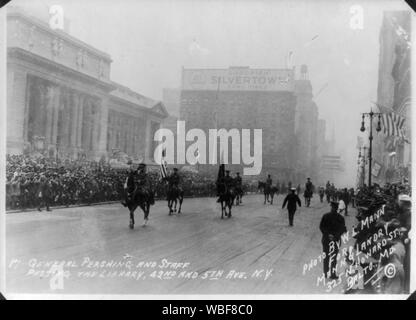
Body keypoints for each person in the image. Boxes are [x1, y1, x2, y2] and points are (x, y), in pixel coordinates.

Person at [319, 201, 347, 279]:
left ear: (331, 207)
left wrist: (328, 235)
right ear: (337, 208)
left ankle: (325, 273)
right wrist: (335, 236)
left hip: (326, 239)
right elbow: (343, 229)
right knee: (333, 258)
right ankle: (332, 274)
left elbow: (321, 227)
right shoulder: (341, 218)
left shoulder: (325, 216)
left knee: (326, 257)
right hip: (336, 240)